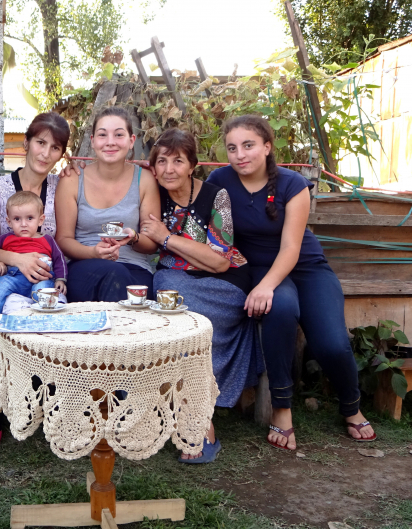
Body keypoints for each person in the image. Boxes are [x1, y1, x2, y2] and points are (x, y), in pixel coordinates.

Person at [206, 115, 376, 450]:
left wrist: (266, 286)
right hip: (258, 269)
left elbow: (291, 248)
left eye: (248, 145)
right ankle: (282, 407)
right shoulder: (219, 180)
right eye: (232, 148)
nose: (240, 154)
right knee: (280, 307)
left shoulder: (292, 184)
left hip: (306, 268)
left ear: (267, 147)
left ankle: (351, 405)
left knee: (331, 344)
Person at [139, 128, 264, 463]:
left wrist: (167, 238)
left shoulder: (215, 195)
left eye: (178, 161)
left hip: (225, 285)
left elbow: (220, 261)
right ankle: (191, 410)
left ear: (192, 165)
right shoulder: (153, 194)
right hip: (176, 280)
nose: (169, 169)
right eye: (161, 161)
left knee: (179, 306)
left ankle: (197, 418)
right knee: (169, 291)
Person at [0, 111, 71, 448]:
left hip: (45, 273)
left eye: (55, 148)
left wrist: (53, 273)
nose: (45, 153)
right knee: (0, 315)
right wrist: (18, 259)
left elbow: (62, 241)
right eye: (40, 142)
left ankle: (51, 408)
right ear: (26, 142)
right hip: (3, 269)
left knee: (52, 319)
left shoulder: (61, 187)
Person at [55, 106, 160, 302]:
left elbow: (152, 244)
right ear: (93, 141)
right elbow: (63, 239)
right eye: (102, 135)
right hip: (84, 266)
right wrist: (93, 252)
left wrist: (133, 237)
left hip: (135, 268)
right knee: (116, 275)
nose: (110, 142)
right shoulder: (72, 180)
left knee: (123, 278)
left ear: (131, 141)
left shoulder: (144, 179)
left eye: (119, 135)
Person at [0, 191, 67, 347]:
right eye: (17, 219)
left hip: (42, 278)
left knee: (45, 292)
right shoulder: (7, 239)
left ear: (40, 219)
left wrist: (61, 279)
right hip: (15, 278)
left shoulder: (47, 240)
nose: (23, 224)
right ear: (9, 222)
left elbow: (59, 259)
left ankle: (46, 326)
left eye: (29, 218)